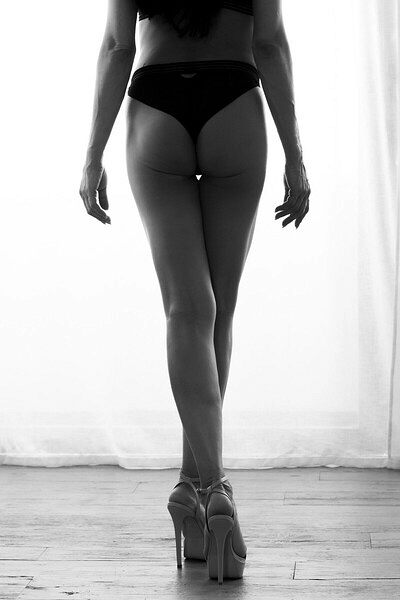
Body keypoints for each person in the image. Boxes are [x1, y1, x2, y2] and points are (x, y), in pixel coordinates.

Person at [79, 0, 311, 584]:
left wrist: (92, 156)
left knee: (188, 309)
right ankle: (216, 490)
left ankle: (194, 486)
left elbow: (118, 48)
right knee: (218, 311)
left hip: (154, 106)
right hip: (234, 103)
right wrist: (296, 156)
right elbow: (270, 45)